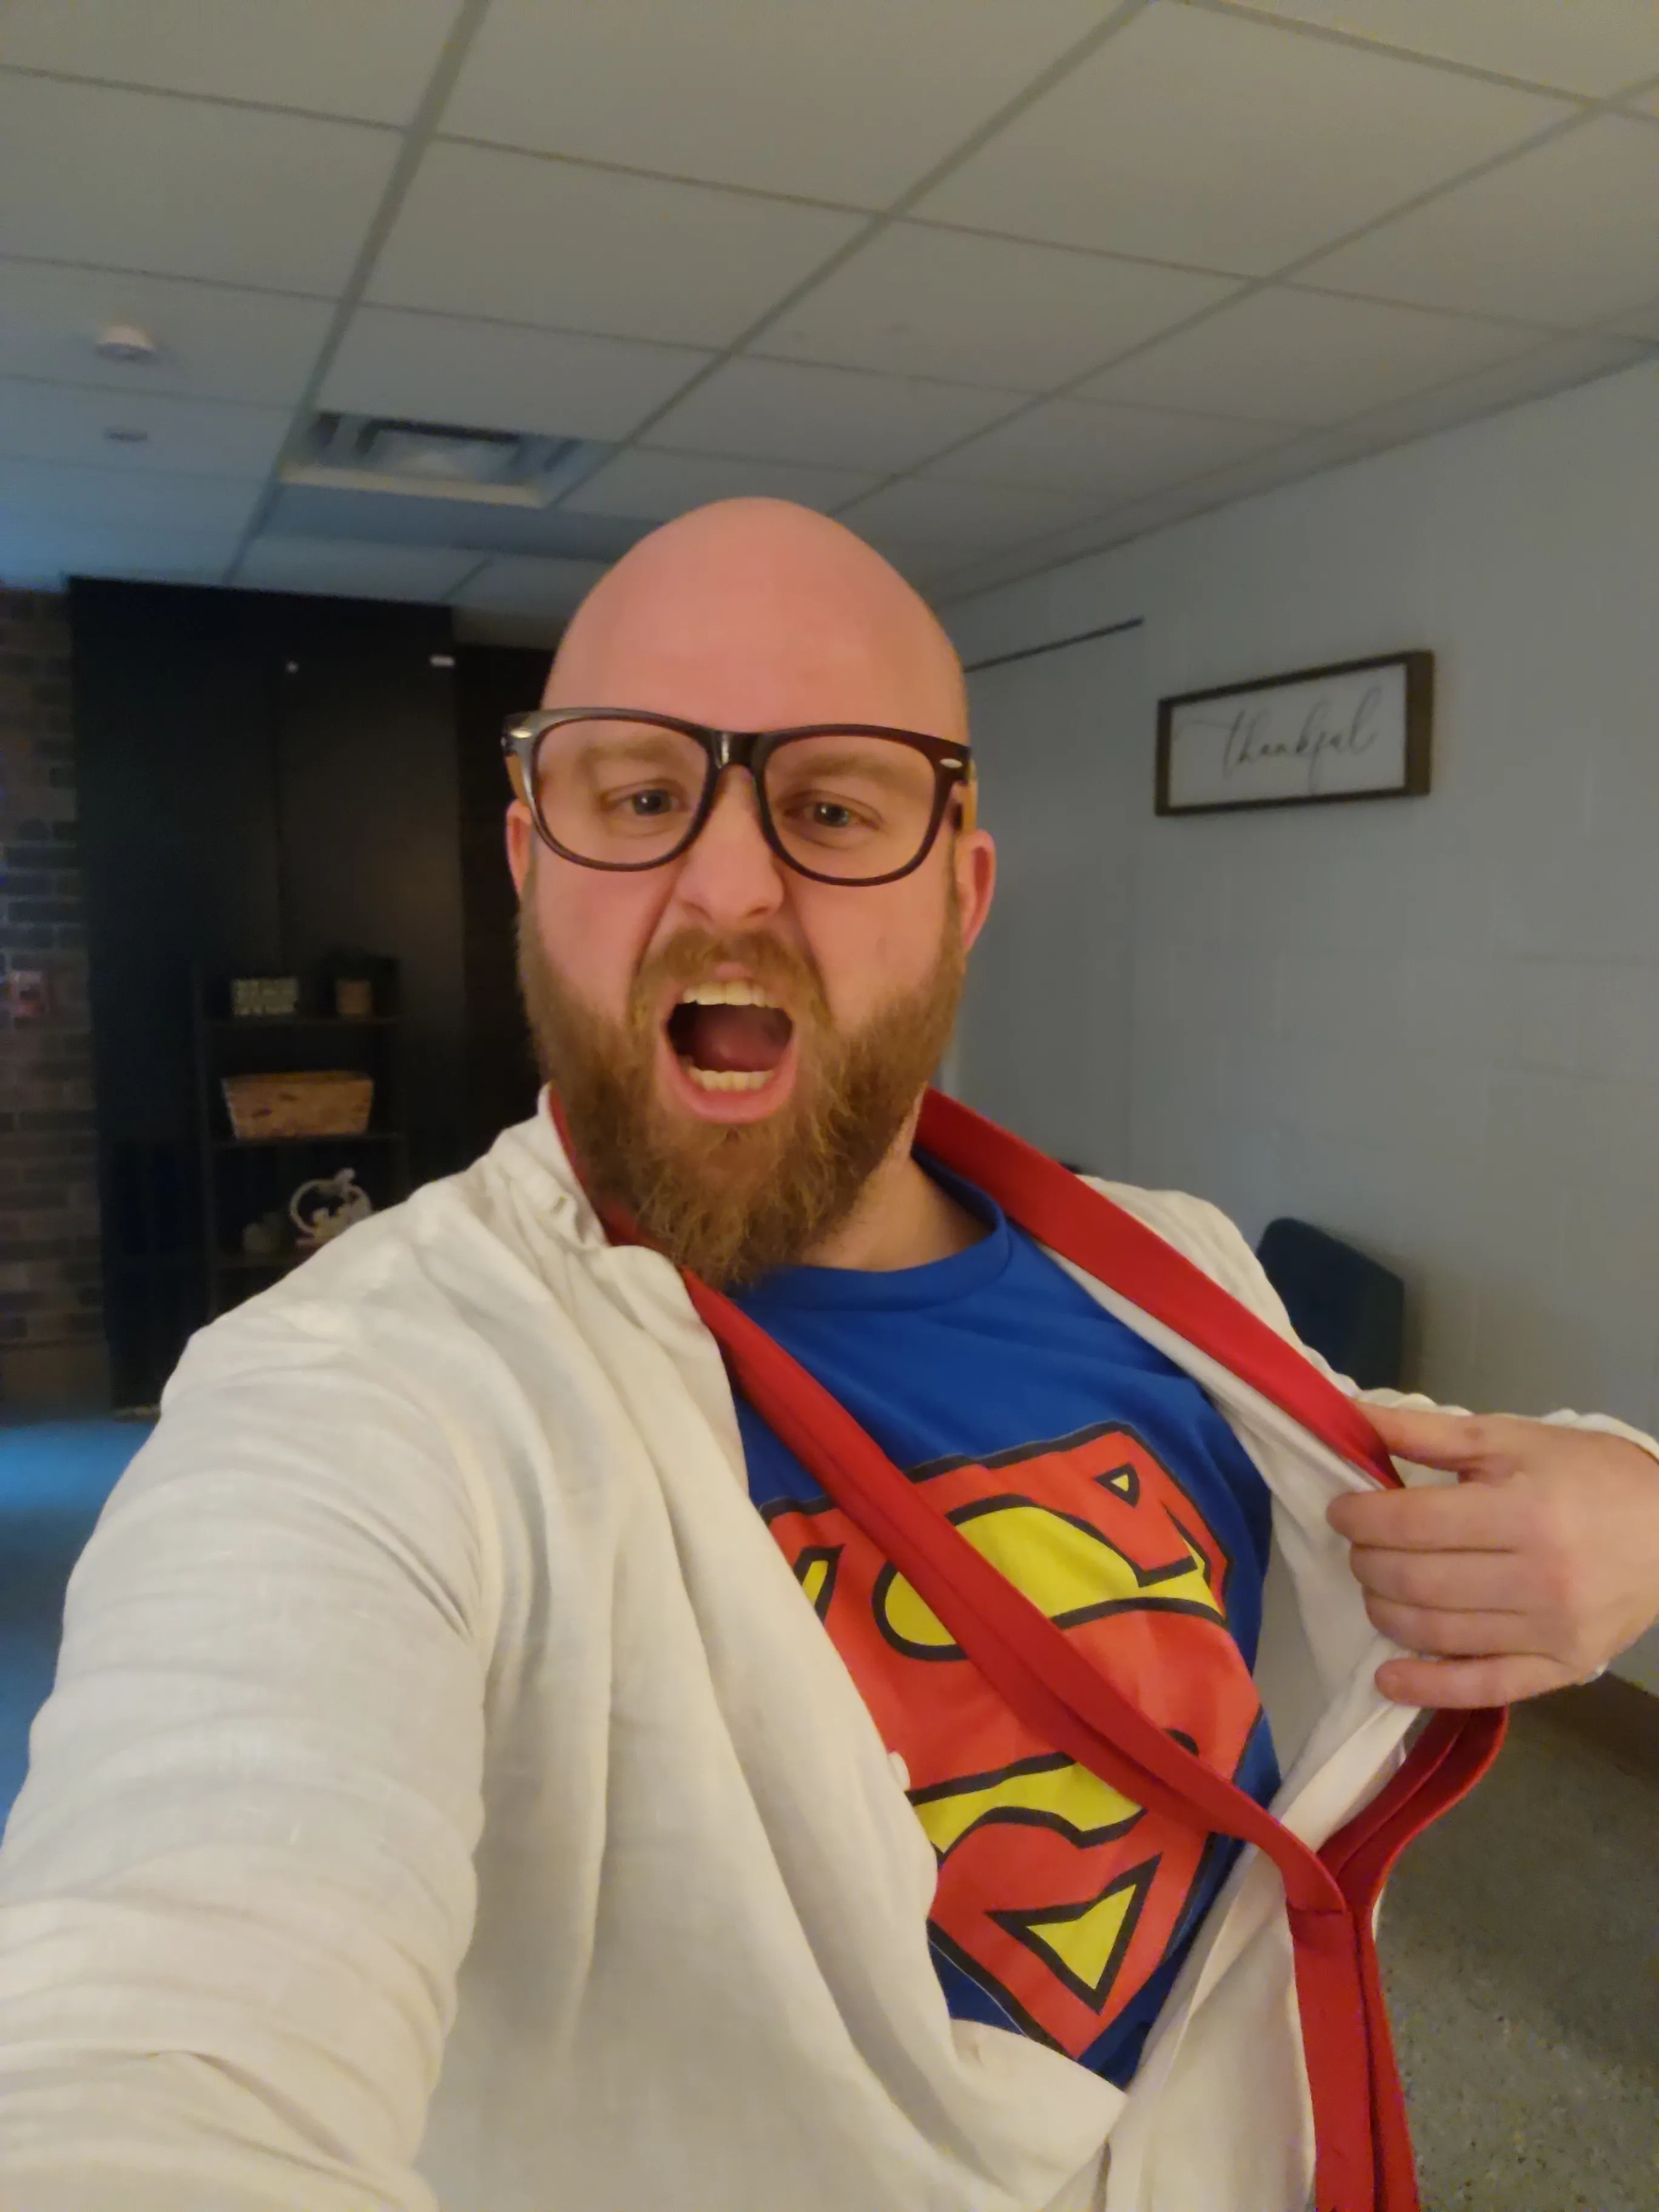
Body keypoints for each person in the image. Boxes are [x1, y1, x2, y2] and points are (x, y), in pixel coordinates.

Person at [0, 499, 1655, 2212]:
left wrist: (1632, 1500)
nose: (729, 885)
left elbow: (1406, 1468)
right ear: (528, 862)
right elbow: (156, 2012)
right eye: (640, 797)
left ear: (963, 895)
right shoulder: (365, 1391)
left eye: (834, 807)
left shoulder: (1171, 1263)